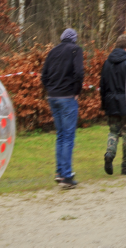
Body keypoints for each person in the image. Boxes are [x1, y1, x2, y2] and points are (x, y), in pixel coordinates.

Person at [41, 28, 84, 189]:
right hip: (67, 97)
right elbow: (79, 73)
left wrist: (50, 89)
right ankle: (66, 175)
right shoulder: (75, 50)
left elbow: (44, 75)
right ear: (74, 39)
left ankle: (60, 173)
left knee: (60, 136)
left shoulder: (52, 52)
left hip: (53, 97)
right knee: (68, 137)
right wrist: (76, 91)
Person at [100, 34, 126, 176]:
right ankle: (125, 166)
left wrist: (104, 104)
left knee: (113, 131)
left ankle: (109, 153)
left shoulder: (107, 63)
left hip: (111, 102)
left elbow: (102, 85)